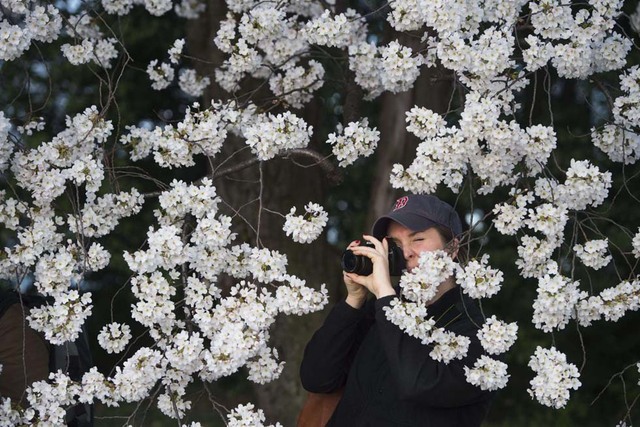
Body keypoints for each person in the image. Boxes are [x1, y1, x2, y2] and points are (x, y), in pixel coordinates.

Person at [299, 194, 494, 426]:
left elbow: (418, 385)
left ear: (452, 248)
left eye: (417, 239)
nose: (406, 253)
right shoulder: (378, 311)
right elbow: (316, 378)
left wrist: (385, 296)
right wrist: (354, 300)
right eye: (395, 244)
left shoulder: (480, 335)